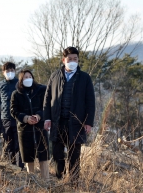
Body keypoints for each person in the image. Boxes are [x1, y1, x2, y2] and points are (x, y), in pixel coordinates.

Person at [43, 46, 95, 184]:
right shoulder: (54, 76)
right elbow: (47, 98)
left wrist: (88, 122)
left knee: (74, 155)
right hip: (57, 121)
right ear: (63, 60)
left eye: (75, 59)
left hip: (76, 122)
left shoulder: (84, 78)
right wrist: (47, 118)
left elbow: (90, 101)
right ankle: (60, 180)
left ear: (78, 60)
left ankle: (73, 182)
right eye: (70, 59)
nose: (72, 61)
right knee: (57, 154)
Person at [10, 70, 49, 180]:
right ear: (21, 80)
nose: (28, 79)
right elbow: (13, 111)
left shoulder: (41, 90)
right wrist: (25, 118)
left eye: (30, 76)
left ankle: (45, 181)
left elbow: (46, 106)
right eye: (25, 77)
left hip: (40, 127)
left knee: (43, 156)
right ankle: (32, 181)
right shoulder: (16, 94)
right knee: (28, 158)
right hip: (24, 129)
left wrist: (39, 116)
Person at [0, 62, 24, 169]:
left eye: (12, 70)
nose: (10, 73)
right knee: (8, 142)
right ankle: (11, 164)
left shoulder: (19, 84)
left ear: (15, 71)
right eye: (7, 71)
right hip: (5, 118)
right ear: (3, 72)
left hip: (18, 118)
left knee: (19, 142)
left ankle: (20, 165)